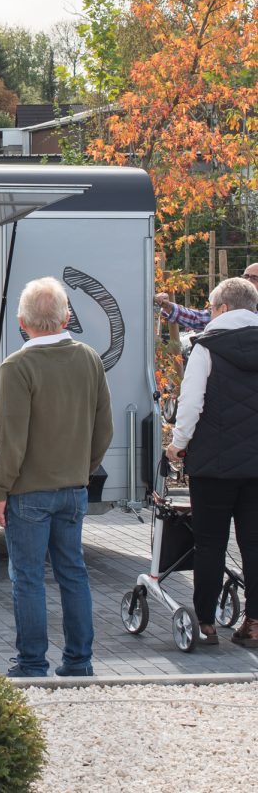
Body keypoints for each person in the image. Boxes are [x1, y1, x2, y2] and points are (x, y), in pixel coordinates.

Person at [0, 276, 113, 678]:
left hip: (28, 491)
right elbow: (104, 428)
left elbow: (12, 440)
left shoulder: (17, 367)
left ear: (22, 321)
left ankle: (31, 662)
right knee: (73, 574)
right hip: (74, 488)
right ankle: (79, 661)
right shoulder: (89, 359)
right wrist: (84, 466)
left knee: (27, 578)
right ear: (66, 318)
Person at [164, 276, 258, 649]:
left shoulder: (207, 347)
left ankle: (205, 624)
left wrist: (177, 445)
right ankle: (254, 622)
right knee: (254, 544)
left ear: (220, 309)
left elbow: (191, 405)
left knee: (210, 544)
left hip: (214, 467)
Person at [155, 263, 258, 330]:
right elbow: (197, 318)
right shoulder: (231, 306)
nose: (247, 281)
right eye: (246, 276)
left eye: (254, 278)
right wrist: (167, 306)